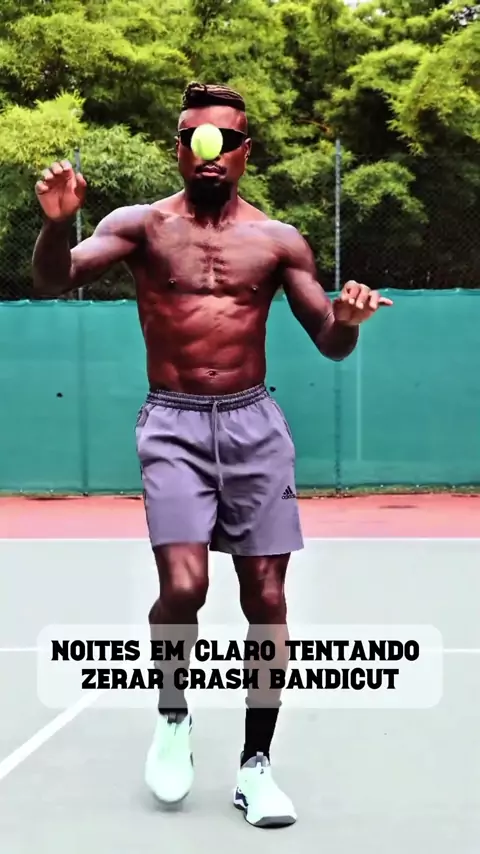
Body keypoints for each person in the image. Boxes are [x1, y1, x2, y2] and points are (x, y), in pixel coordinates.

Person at [32, 81, 393, 828]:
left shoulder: (278, 240)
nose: (212, 150)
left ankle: (255, 767)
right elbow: (54, 278)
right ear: (178, 148)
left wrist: (349, 322)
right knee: (185, 586)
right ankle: (174, 716)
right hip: (173, 423)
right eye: (198, 136)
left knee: (267, 601)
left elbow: (329, 342)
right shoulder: (140, 226)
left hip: (254, 424)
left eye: (226, 139)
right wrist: (56, 228)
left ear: (244, 152)